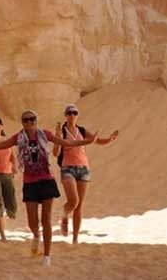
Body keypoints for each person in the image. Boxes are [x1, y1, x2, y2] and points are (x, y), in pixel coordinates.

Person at [0, 109, 97, 267]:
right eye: (26, 120)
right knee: (32, 223)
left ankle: (47, 256)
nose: (29, 122)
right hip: (30, 182)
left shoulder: (45, 134)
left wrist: (87, 141)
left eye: (32, 119)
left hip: (46, 180)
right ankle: (36, 235)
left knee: (46, 220)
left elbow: (68, 143)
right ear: (22, 122)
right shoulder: (18, 137)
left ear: (36, 120)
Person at [52, 103, 119, 244]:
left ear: (77, 115)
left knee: (79, 205)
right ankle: (64, 215)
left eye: (74, 113)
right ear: (65, 115)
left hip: (83, 168)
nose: (72, 115)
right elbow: (55, 153)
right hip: (67, 168)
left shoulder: (81, 130)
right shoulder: (62, 131)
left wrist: (110, 139)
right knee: (73, 201)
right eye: (69, 113)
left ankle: (75, 239)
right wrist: (57, 137)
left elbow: (97, 141)